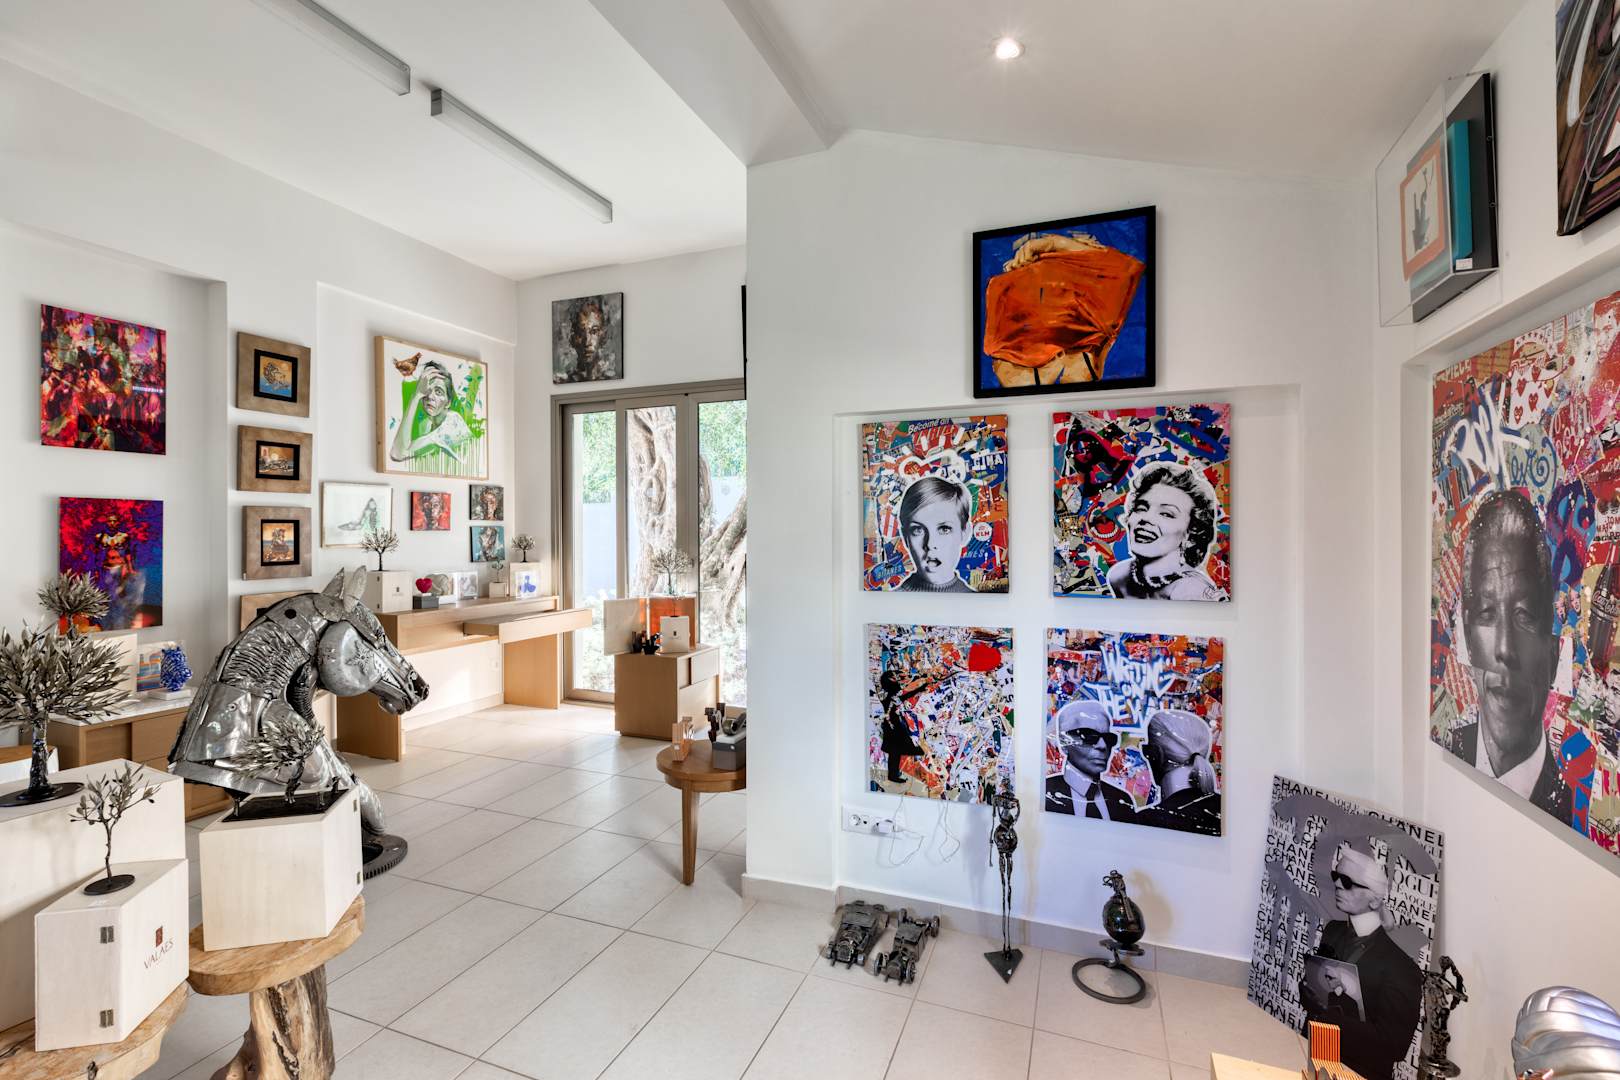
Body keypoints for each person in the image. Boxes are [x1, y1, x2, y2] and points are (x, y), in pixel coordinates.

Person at [1450, 489, 1573, 822]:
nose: (1504, 649)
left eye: (1524, 615)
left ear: (1553, 654)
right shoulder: (1447, 749)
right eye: (1487, 613)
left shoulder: (1568, 809)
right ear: (1468, 640)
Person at [1299, 846, 1422, 1080]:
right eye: (1336, 876)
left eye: (1347, 882)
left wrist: (1328, 1015)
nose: (1337, 884)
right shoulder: (1333, 931)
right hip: (1317, 1055)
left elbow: (1394, 1045)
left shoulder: (1402, 966)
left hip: (1360, 1070)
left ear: (1374, 901)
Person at [1106, 461, 1227, 601]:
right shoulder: (1118, 575)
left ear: (1191, 535)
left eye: (1166, 514)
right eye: (1141, 508)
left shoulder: (1191, 590)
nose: (1146, 518)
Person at [1045, 700, 1136, 822]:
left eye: (1109, 738)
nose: (1103, 746)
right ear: (1063, 742)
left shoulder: (1122, 800)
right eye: (1088, 736)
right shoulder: (1045, 792)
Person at [1137, 708, 1221, 836]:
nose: (1144, 756)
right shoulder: (1224, 809)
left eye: (1146, 750)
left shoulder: (1149, 821)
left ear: (1157, 754)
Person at [897, 477, 973, 592]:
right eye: (918, 530)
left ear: (965, 533)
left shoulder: (978, 599)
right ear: (905, 537)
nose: (930, 544)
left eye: (944, 529)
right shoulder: (889, 599)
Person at [389, 360, 472, 466]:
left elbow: (398, 454)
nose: (430, 396)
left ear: (448, 402)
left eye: (438, 392)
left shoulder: (452, 424)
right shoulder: (426, 424)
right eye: (426, 389)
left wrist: (416, 395)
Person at [876, 669, 925, 785]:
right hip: (893, 726)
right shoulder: (890, 697)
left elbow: (906, 695)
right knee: (895, 751)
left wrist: (920, 688)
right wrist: (920, 688)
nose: (897, 680)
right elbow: (906, 695)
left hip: (892, 725)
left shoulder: (890, 696)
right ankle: (893, 775)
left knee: (895, 752)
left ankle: (893, 775)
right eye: (894, 678)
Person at [560, 299, 612, 382]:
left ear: (603, 336)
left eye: (594, 331)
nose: (587, 342)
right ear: (572, 338)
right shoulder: (565, 381)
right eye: (580, 332)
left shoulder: (610, 379)